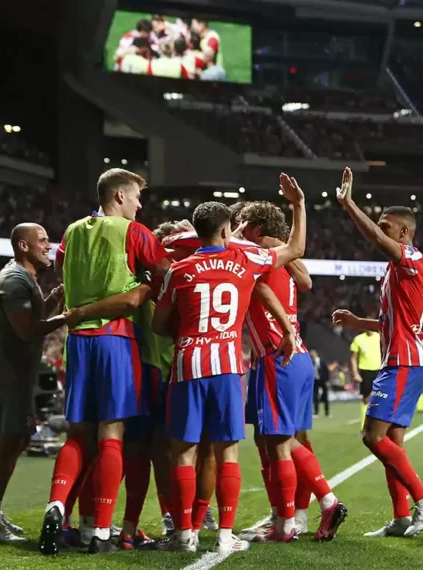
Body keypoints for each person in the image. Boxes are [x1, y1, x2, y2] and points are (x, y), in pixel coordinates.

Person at [152, 172, 306, 554]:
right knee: (227, 453)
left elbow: (158, 325)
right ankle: (224, 535)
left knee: (184, 452)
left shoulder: (178, 271)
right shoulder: (246, 259)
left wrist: (186, 332)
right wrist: (298, 205)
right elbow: (295, 250)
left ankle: (183, 535)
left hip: (187, 365)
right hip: (227, 366)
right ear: (226, 231)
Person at [40, 168, 170, 555]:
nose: (139, 205)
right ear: (119, 196)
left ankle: (56, 505)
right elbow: (166, 272)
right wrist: (145, 284)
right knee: (112, 433)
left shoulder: (71, 232)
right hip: (117, 338)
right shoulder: (134, 232)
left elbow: (61, 271)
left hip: (77, 342)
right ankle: (101, 531)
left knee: (78, 434)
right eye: (136, 198)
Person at [332, 167, 423, 538]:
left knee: (372, 436)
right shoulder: (395, 270)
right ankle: (400, 517)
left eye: (386, 226)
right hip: (402, 360)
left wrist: (350, 206)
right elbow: (389, 322)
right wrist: (357, 322)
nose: (380, 231)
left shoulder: (413, 258)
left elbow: (378, 240)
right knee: (390, 443)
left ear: (404, 232)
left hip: (404, 362)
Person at [237, 200, 348, 543]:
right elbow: (306, 280)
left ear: (255, 229)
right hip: (293, 357)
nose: (235, 228)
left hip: (276, 355)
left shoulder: (254, 257)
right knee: (273, 439)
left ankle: (318, 506)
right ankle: (287, 516)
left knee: (280, 441)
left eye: (241, 222)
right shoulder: (282, 260)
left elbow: (260, 287)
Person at [0, 223, 69, 544]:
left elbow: (34, 319)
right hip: (8, 375)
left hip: (18, 373)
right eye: (42, 240)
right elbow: (28, 330)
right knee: (8, 444)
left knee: (19, 441)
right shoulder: (15, 280)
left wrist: (54, 299)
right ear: (23, 246)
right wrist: (68, 317)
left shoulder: (24, 277)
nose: (48, 245)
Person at [350, 325, 381, 429]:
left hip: (379, 370)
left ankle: (378, 426)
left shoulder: (380, 337)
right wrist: (355, 373)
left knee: (380, 398)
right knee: (366, 399)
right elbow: (353, 358)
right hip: (365, 371)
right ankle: (364, 427)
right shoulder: (358, 339)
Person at [311, 349, 330, 418]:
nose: (312, 356)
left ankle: (327, 412)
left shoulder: (322, 361)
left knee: (325, 396)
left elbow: (326, 371)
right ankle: (316, 412)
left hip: (323, 380)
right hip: (315, 380)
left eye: (313, 354)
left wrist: (327, 380)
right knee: (315, 396)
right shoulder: (311, 362)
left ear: (316, 354)